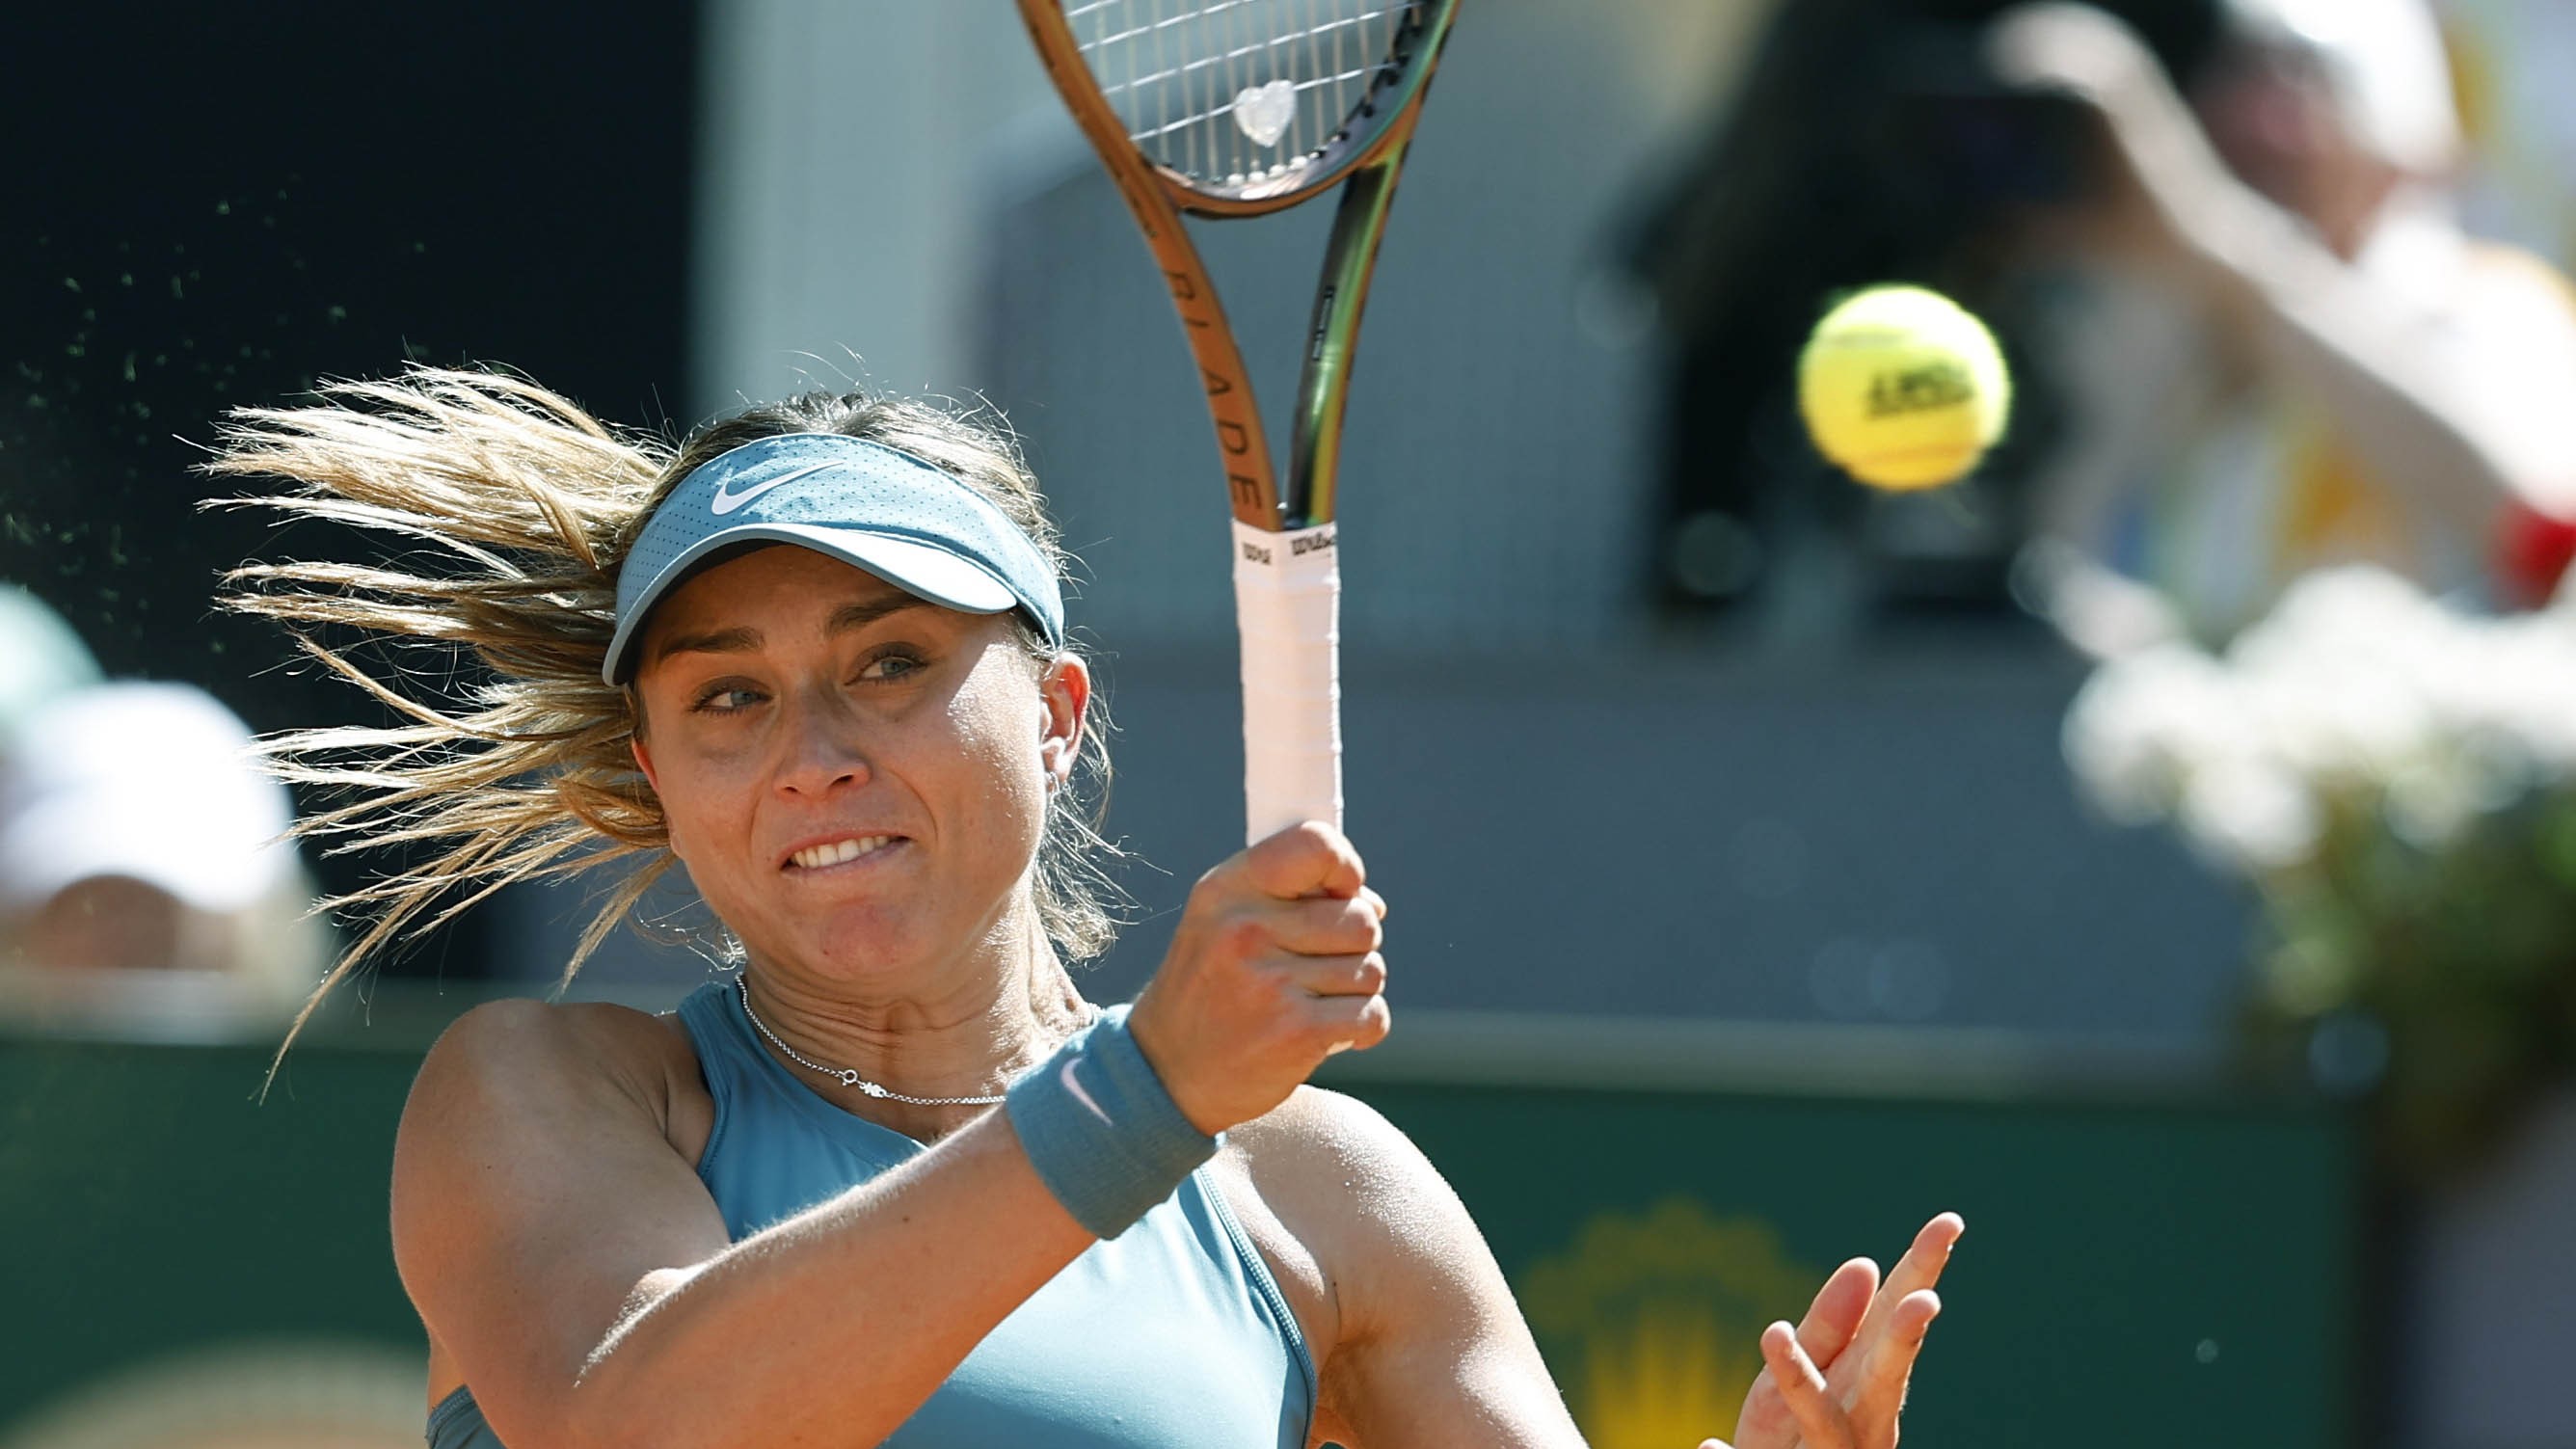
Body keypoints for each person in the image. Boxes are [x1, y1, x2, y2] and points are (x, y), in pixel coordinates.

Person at [211, 368, 1961, 1449]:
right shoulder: (544, 1092)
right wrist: (1145, 1092)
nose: (812, 753)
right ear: (660, 771)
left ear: (1054, 714)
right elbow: (643, 1429)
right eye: (729, 696)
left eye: (891, 664)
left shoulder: (1319, 1195)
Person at [1990, 0, 2576, 653]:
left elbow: (2546, 540)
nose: (2255, 124)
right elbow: (2067, 564)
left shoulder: (2489, 302)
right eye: (2234, 75)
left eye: (2303, 80)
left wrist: (2225, 244)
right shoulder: (2171, 327)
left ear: (2402, 143)